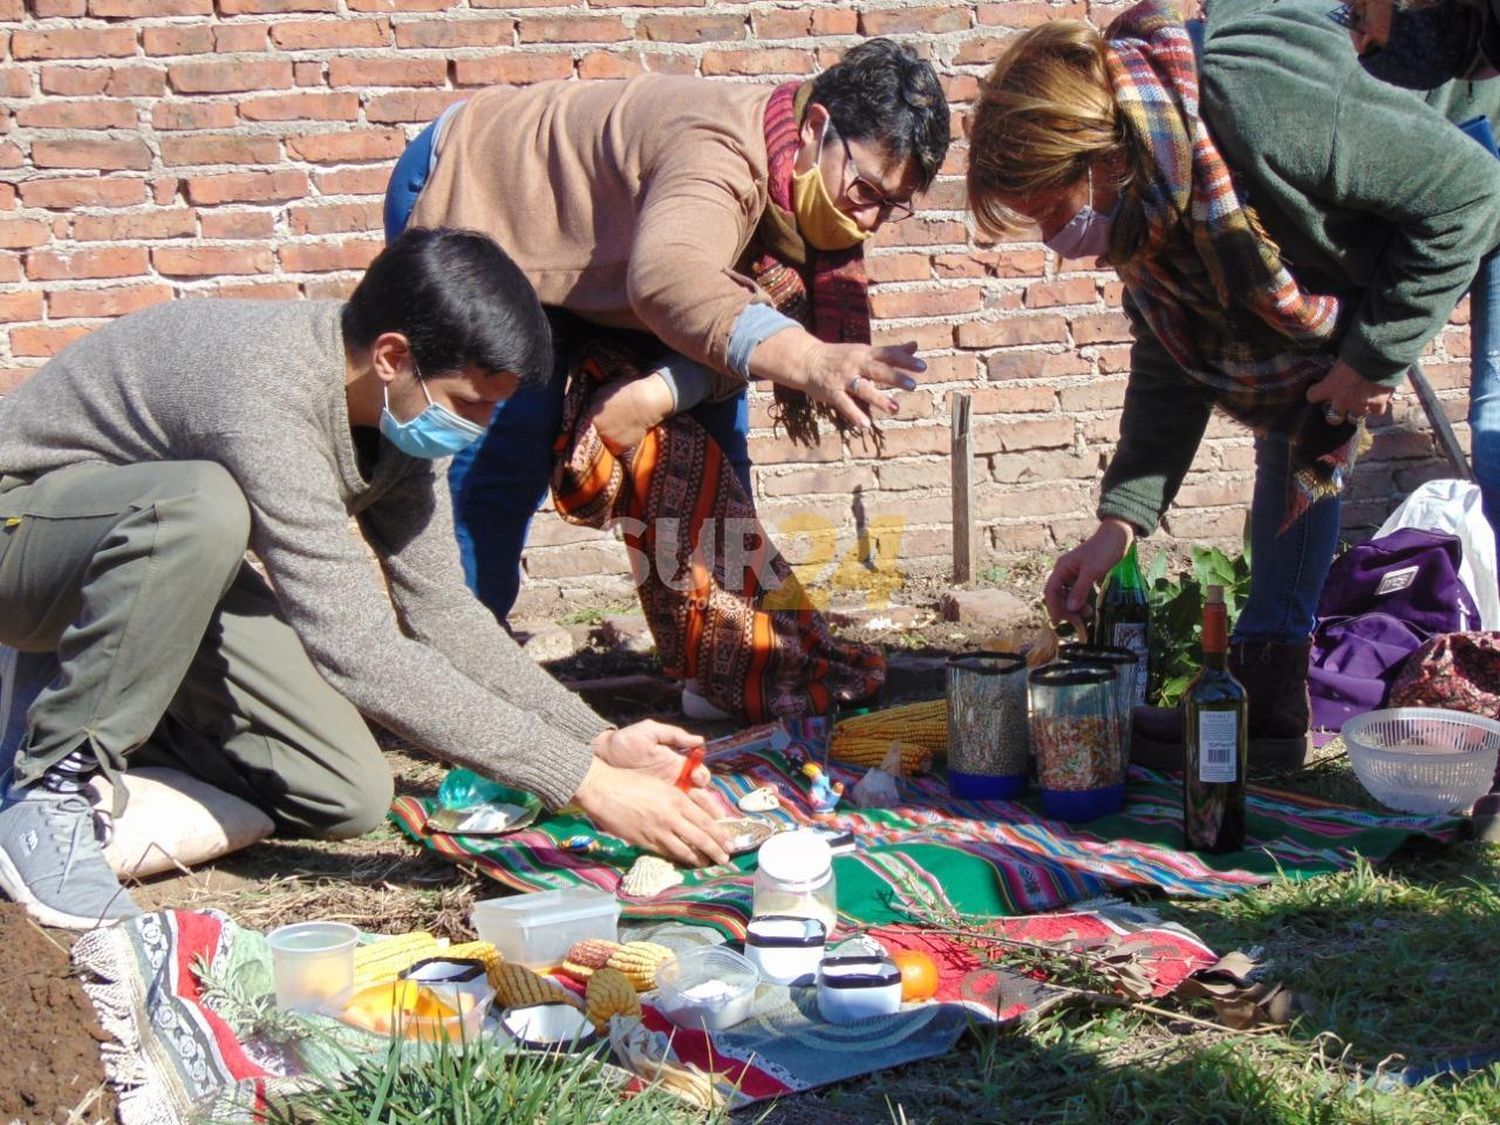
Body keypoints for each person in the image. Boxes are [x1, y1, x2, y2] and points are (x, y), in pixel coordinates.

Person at [0, 228, 729, 932]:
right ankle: (48, 786)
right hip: (29, 542)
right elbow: (358, 650)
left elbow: (444, 611)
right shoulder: (267, 394)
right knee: (202, 506)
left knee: (344, 790)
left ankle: (119, 707)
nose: (477, 427)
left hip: (154, 571)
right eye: (470, 402)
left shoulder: (400, 420)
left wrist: (596, 742)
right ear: (391, 355)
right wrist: (583, 785)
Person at [966, 0, 1500, 768]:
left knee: (1496, 433)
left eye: (1055, 209)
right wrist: (1119, 526)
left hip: (1475, 177)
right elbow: (1170, 361)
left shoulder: (1255, 106)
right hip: (1390, 230)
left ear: (1096, 155)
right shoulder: (1156, 195)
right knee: (1299, 421)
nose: (1059, 239)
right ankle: (1271, 700)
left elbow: (1468, 196)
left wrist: (1372, 357)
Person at [384, 39, 950, 720]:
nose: (867, 220)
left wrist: (652, 395)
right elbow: (669, 280)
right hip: (486, 200)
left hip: (610, 256)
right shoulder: (719, 153)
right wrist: (810, 359)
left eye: (890, 207)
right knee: (509, 440)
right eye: (863, 191)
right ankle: (454, 679)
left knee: (716, 462)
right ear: (814, 129)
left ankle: (727, 660)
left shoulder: (801, 220)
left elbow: (726, 336)